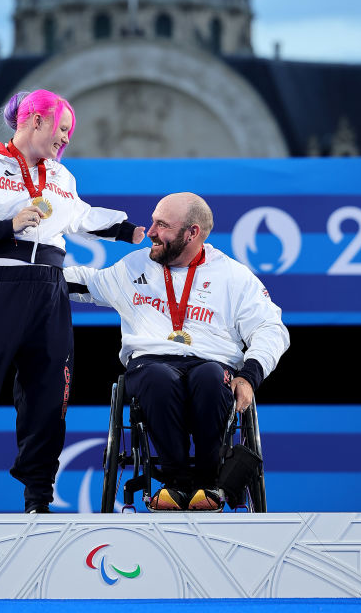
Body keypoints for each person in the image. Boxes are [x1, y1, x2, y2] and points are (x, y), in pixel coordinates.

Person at [0, 89, 145, 514]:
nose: (65, 139)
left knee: (47, 396)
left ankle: (38, 500)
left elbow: (79, 215)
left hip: (48, 289)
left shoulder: (61, 177)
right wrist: (7, 225)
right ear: (35, 120)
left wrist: (131, 230)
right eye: (61, 129)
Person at [65, 192, 289, 512]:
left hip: (212, 362)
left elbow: (271, 328)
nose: (151, 231)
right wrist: (35, 274)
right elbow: (88, 284)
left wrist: (250, 376)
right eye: (153, 220)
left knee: (212, 377)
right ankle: (176, 484)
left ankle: (210, 483)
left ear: (192, 233)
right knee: (158, 377)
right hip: (150, 363)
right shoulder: (134, 266)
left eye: (162, 225)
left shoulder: (234, 276)